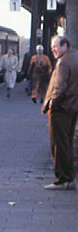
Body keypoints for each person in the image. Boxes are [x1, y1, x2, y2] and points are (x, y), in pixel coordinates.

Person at [42, 35, 78, 190]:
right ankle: (68, 177)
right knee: (67, 143)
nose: (53, 50)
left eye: (55, 47)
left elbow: (60, 88)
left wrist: (51, 104)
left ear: (64, 45)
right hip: (72, 107)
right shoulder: (75, 57)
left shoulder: (63, 62)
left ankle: (62, 179)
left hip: (61, 109)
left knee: (58, 144)